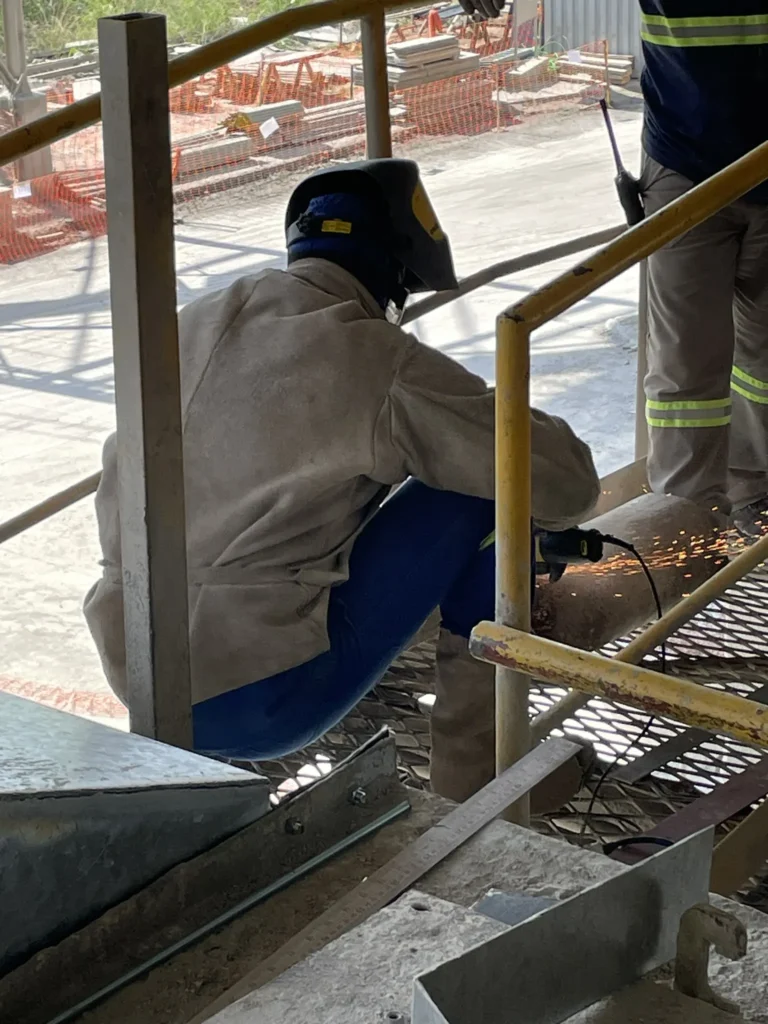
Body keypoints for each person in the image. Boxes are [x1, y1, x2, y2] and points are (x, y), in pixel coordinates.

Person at [84, 158, 599, 802]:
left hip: (138, 671)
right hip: (260, 696)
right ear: (394, 273)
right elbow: (567, 481)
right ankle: (476, 779)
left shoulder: (190, 321)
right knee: (484, 489)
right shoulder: (375, 356)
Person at [458, 0, 768, 537]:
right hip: (685, 165)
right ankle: (687, 525)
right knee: (685, 364)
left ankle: (754, 494)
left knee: (762, 353)